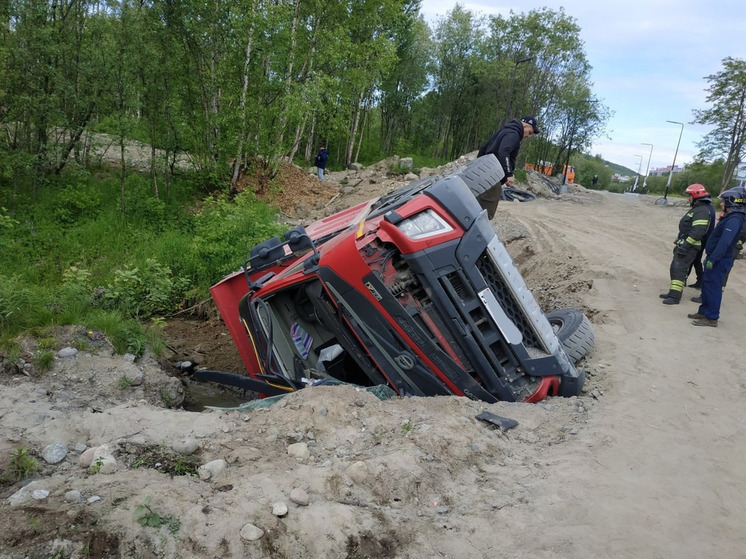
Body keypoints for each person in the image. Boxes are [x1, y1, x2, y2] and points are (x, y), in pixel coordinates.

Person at [687, 186, 746, 327]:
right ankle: (704, 312)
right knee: (707, 286)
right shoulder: (731, 217)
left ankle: (712, 317)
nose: (721, 204)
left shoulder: (735, 219)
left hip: (719, 260)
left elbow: (725, 242)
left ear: (732, 202)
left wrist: (713, 259)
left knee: (713, 288)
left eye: (724, 201)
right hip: (715, 258)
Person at [659, 183, 714, 305]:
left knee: (679, 270)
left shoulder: (702, 211)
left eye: (689, 196)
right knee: (675, 269)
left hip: (689, 247)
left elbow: (697, 232)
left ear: (695, 196)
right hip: (685, 245)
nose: (688, 198)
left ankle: (674, 297)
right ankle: (673, 293)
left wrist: (685, 245)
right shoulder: (698, 209)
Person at [475, 116, 539, 219]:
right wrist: (509, 174)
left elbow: (483, 149)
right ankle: (478, 231)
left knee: (477, 204)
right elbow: (504, 152)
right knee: (487, 211)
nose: (528, 136)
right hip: (492, 175)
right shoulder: (514, 134)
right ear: (526, 125)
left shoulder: (504, 130)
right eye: (530, 132)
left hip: (485, 172)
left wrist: (479, 167)